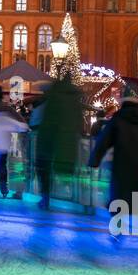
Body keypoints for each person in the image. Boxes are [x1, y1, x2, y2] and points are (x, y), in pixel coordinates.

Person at [88, 89, 138, 245]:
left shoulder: (118, 120)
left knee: (119, 202)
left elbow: (103, 142)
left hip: (122, 168)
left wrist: (94, 160)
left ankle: (117, 233)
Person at [30, 76, 85, 211]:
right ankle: (77, 199)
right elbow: (80, 123)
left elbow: (36, 121)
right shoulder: (74, 102)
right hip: (67, 142)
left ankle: (46, 197)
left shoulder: (51, 99)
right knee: (62, 169)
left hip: (47, 140)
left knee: (43, 168)